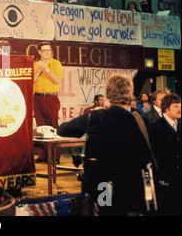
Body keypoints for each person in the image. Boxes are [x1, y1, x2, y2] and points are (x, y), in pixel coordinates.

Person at [58, 74, 153, 215]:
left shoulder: (95, 116)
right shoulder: (140, 120)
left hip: (103, 183)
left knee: (105, 212)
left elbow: (63, 130)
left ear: (108, 95)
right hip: (130, 183)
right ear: (130, 95)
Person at [149, 93, 181, 216]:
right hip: (165, 185)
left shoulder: (179, 125)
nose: (180, 109)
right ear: (167, 108)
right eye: (176, 106)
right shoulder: (155, 127)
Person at [33, 42, 63, 163]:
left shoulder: (56, 63)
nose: (47, 52)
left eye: (49, 50)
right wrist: (39, 71)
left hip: (51, 98)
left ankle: (55, 157)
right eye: (44, 50)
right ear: (39, 52)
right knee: (40, 127)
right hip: (37, 98)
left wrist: (46, 69)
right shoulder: (35, 64)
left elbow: (57, 80)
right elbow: (31, 81)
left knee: (53, 126)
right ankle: (42, 156)